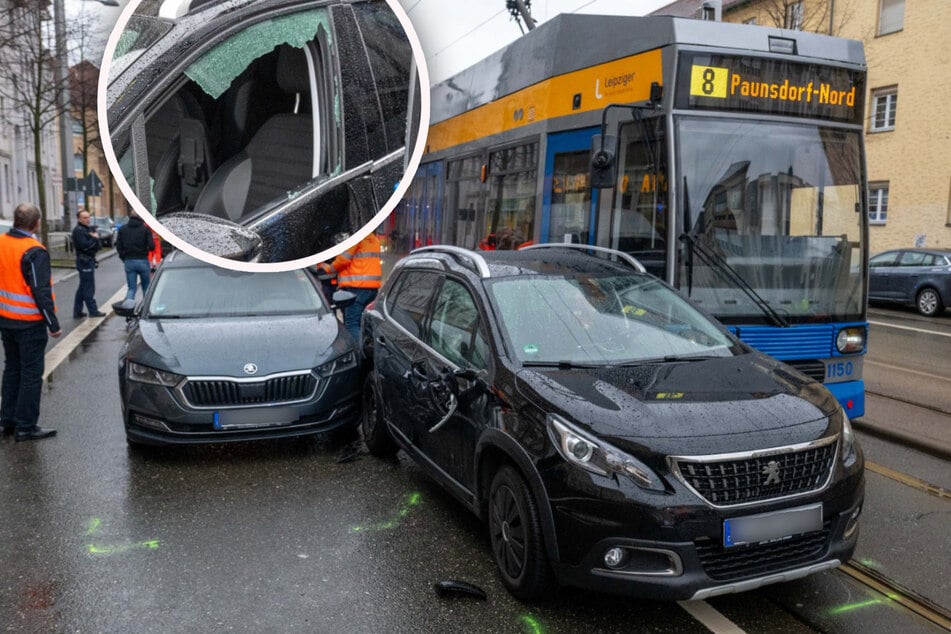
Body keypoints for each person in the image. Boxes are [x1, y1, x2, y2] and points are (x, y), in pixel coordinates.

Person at [0, 203, 62, 441]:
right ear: (36, 223)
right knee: (30, 374)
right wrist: (53, 324)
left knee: (12, 370)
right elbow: (40, 290)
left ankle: (7, 420)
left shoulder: (2, 242)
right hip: (29, 323)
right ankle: (26, 426)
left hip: (6, 320)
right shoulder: (34, 251)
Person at [323, 231, 382, 341]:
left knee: (351, 324)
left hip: (356, 288)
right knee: (363, 322)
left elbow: (343, 260)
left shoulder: (356, 238)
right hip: (371, 288)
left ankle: (357, 354)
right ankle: (367, 347)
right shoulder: (374, 239)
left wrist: (328, 268)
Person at [71, 210, 104, 318]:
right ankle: (93, 311)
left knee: (82, 287)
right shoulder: (78, 231)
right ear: (79, 219)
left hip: (89, 260)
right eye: (84, 218)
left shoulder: (88, 229)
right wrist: (94, 239)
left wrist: (95, 240)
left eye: (88, 217)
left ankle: (77, 311)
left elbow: (99, 246)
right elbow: (85, 246)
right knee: (88, 287)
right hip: (84, 261)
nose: (87, 219)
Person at [116, 211, 155, 301]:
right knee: (146, 287)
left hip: (129, 261)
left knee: (131, 288)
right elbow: (152, 246)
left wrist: (124, 258)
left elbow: (118, 246)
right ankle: (146, 309)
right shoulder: (145, 229)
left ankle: (129, 309)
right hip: (143, 260)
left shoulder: (122, 229)